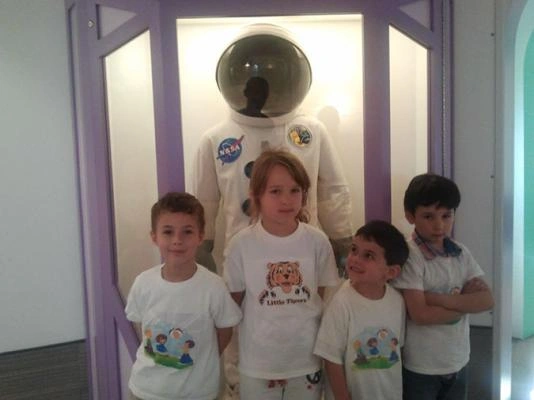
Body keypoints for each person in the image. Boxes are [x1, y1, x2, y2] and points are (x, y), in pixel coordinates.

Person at [223, 149, 340, 399]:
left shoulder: (317, 242)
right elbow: (233, 307)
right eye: (275, 191)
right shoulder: (240, 245)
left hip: (306, 362)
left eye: (295, 190)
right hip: (258, 365)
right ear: (257, 195)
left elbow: (318, 299)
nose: (286, 200)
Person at [125, 192, 242, 400]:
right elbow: (142, 327)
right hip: (146, 391)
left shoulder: (214, 287)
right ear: (154, 236)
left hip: (198, 393)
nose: (177, 240)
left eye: (187, 232)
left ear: (200, 236)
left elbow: (225, 331)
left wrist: (201, 359)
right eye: (168, 232)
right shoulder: (143, 283)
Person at [393, 173, 494, 400]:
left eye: (447, 215)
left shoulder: (460, 252)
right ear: (410, 216)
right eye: (428, 216)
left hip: (459, 359)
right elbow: (420, 314)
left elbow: (487, 300)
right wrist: (464, 305)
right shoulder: (410, 256)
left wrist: (435, 298)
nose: (439, 225)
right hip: (422, 366)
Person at [314, 220, 409, 400]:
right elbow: (331, 358)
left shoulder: (397, 302)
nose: (355, 259)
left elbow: (398, 349)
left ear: (391, 272)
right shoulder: (341, 302)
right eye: (354, 250)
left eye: (368, 256)